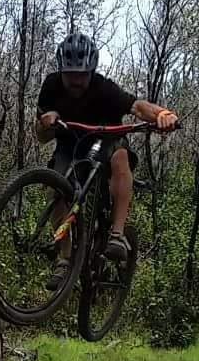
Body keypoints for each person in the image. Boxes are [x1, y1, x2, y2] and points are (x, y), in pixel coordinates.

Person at [36, 32, 178, 290]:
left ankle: (117, 234)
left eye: (82, 74)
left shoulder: (104, 88)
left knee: (120, 157)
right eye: (71, 75)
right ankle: (64, 259)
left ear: (91, 71)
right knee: (56, 187)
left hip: (107, 140)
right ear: (61, 72)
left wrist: (162, 114)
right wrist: (47, 121)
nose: (77, 81)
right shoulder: (51, 86)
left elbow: (137, 106)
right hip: (71, 146)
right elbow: (41, 136)